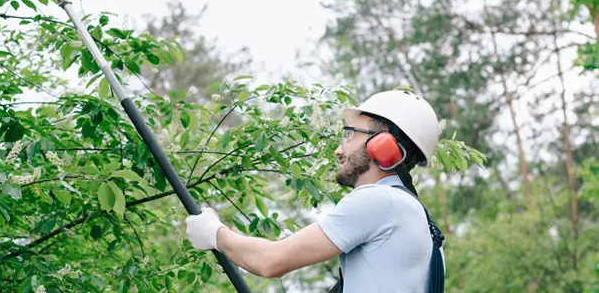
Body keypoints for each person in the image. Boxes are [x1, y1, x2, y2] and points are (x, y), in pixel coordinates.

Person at [185, 90, 445, 292]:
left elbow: (271, 261)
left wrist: (214, 234)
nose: (339, 150)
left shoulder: (379, 201)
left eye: (350, 135)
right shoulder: (418, 219)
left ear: (383, 144)